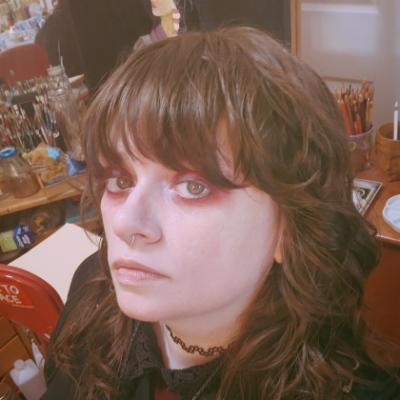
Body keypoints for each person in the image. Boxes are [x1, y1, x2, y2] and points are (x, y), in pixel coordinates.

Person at [42, 28, 400, 400]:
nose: (125, 223)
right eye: (120, 181)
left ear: (289, 226)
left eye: (192, 187)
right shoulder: (91, 288)